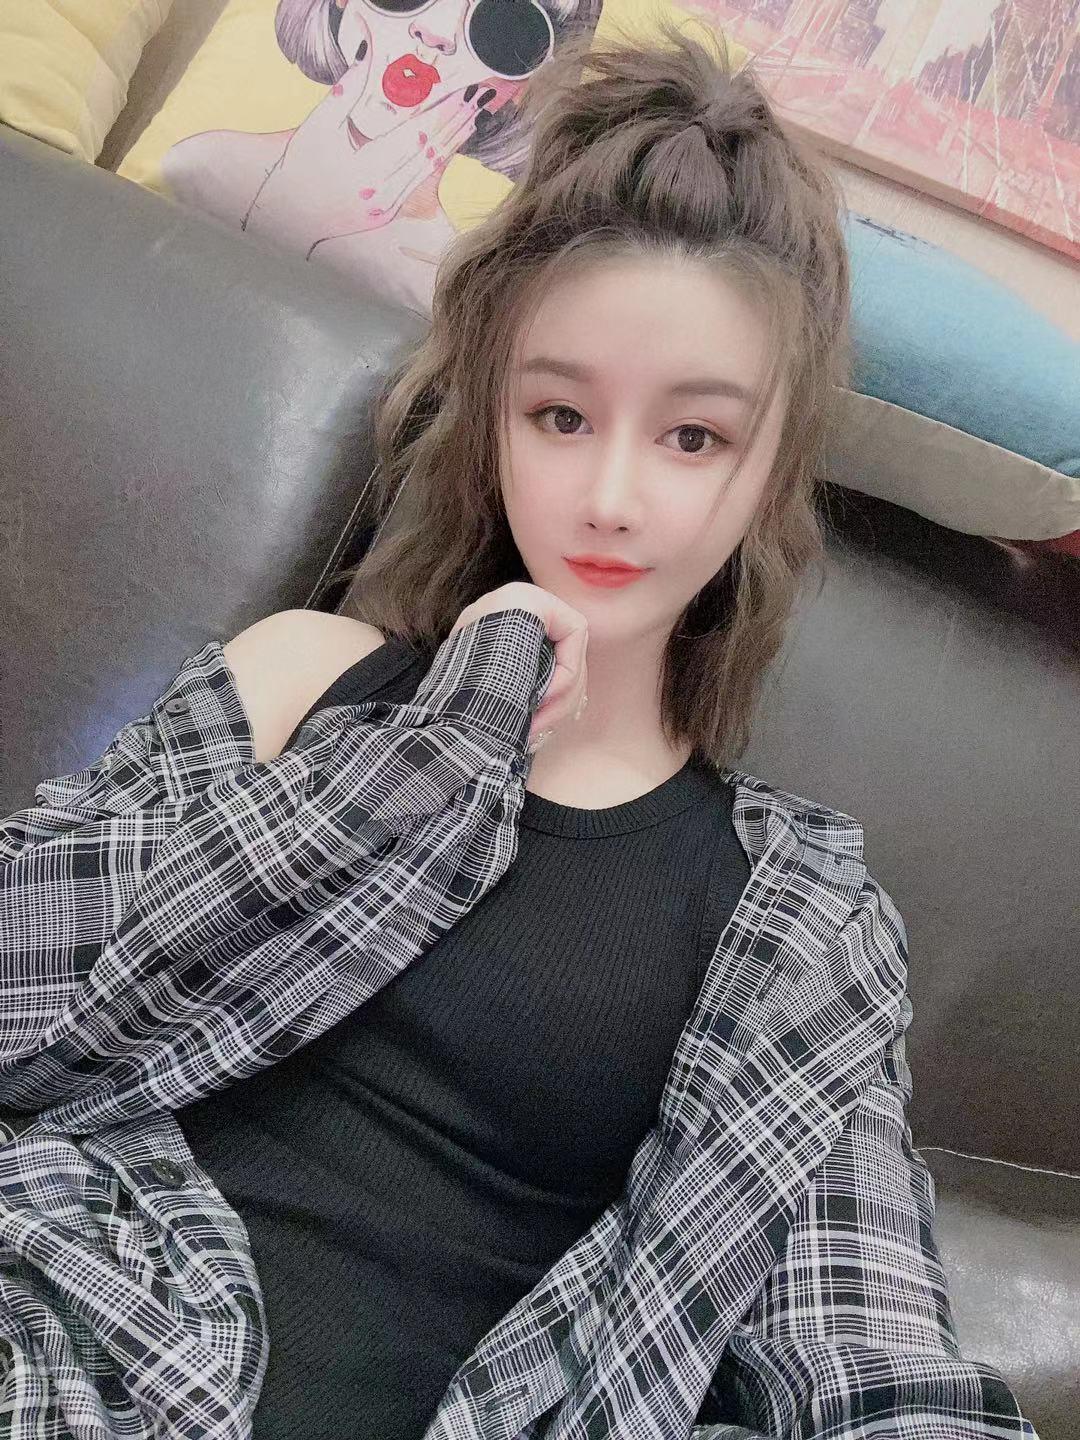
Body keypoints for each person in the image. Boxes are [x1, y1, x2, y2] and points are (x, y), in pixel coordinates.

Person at [0, 17, 1038, 1440]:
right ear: (495, 420)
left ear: (765, 474)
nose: (611, 496)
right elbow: (22, 994)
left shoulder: (796, 923)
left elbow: (874, 1355)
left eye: (692, 436)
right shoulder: (306, 674)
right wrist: (437, 752)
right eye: (560, 415)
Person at [162, 0, 601, 318]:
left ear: (523, 88)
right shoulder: (199, 163)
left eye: (507, 22)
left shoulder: (452, 294)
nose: (437, 32)